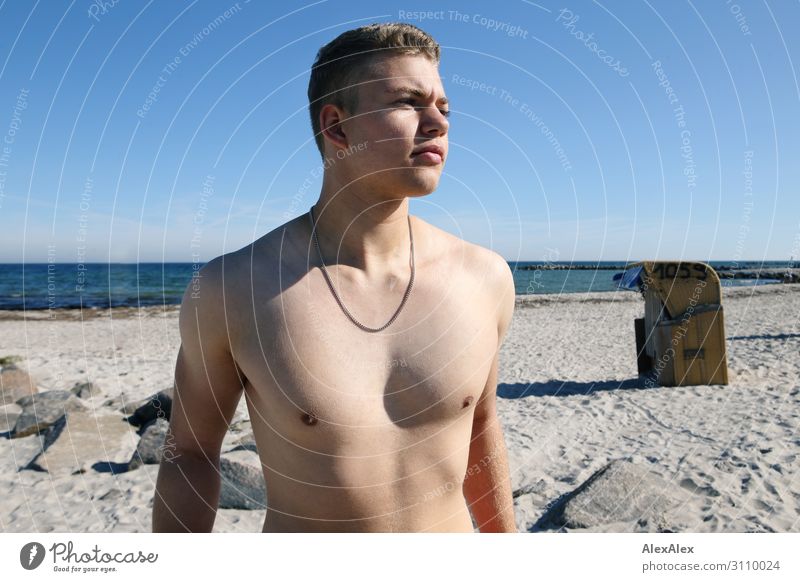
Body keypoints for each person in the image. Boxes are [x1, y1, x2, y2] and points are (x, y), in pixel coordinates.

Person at [152, 22, 516, 533]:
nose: (437, 122)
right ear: (337, 127)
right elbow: (190, 453)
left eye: (444, 107)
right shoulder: (231, 288)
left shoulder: (485, 278)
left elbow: (480, 428)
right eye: (409, 102)